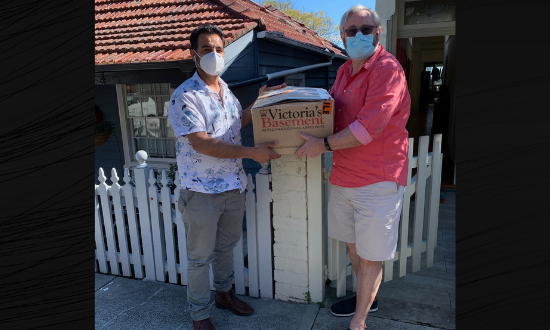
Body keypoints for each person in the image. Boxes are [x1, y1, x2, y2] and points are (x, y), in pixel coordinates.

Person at [293, 5, 411, 330]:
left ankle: (358, 323)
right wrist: (284, 101)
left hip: (378, 179)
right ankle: (367, 300)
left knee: (372, 256)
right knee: (355, 249)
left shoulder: (387, 69)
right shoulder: (345, 70)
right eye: (351, 30)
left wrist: (323, 145)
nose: (359, 35)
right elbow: (328, 111)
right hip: (344, 177)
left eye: (366, 28)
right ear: (342, 35)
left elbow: (366, 128)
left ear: (378, 31)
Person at [167, 24, 283, 330]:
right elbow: (202, 143)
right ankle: (199, 314)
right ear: (194, 56)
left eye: (219, 49)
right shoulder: (185, 96)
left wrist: (258, 102)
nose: (215, 54)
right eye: (207, 49)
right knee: (198, 258)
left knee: (225, 248)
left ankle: (224, 295)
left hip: (233, 186)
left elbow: (236, 123)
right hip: (201, 192)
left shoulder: (226, 90)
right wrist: (251, 153)